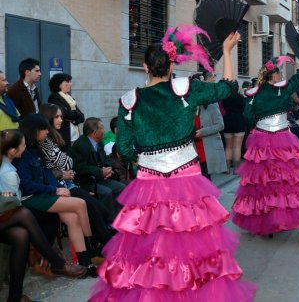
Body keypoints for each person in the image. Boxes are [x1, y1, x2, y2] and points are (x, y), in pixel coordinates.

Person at [89, 27, 256, 301]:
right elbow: (228, 88)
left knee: (148, 248)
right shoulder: (186, 89)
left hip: (148, 183)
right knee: (193, 246)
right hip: (187, 179)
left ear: (145, 67)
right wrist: (227, 52)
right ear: (171, 65)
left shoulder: (129, 101)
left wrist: (143, 159)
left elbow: (124, 148)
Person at [232, 43, 299, 237]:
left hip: (263, 139)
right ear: (272, 75)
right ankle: (276, 218)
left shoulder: (256, 93)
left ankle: (270, 220)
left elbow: (248, 116)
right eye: (277, 73)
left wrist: (258, 120)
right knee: (280, 181)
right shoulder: (280, 90)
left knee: (266, 181)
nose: (280, 76)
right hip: (279, 139)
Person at [1, 129, 86, 301]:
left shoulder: (7, 163)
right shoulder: (8, 172)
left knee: (21, 234)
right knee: (24, 213)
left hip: (6, 214)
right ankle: (56, 262)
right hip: (9, 212)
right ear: (12, 151)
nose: (26, 147)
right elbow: (15, 202)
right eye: (23, 145)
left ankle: (14, 297)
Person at [13, 114, 99, 277]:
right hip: (31, 198)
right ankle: (91, 246)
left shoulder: (37, 149)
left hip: (44, 194)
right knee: (80, 203)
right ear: (34, 131)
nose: (47, 132)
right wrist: (55, 190)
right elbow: (25, 185)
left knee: (73, 219)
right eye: (43, 129)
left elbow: (48, 176)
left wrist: (59, 187)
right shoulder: (21, 153)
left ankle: (86, 263)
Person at [38, 104, 114, 248]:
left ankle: (105, 243)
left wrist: (107, 170)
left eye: (61, 116)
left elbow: (68, 164)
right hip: (63, 186)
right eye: (57, 117)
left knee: (99, 208)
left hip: (71, 183)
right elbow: (63, 165)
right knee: (96, 208)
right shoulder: (45, 143)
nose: (61, 120)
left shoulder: (55, 138)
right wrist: (62, 174)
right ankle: (109, 245)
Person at [69, 118, 126, 219]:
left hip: (100, 178)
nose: (104, 130)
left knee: (121, 188)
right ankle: (109, 222)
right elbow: (79, 168)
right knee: (106, 192)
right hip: (86, 182)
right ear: (94, 132)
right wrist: (100, 172)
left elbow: (106, 160)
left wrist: (108, 169)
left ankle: (121, 218)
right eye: (102, 128)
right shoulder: (80, 145)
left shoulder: (99, 143)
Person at [198, 72, 227, 175]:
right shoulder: (189, 106)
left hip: (207, 150)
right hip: (193, 153)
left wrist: (202, 132)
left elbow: (220, 125)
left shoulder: (211, 103)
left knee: (206, 182)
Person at [47, 73, 85, 148]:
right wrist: (75, 114)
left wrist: (74, 121)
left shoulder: (69, 98)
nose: (70, 84)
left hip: (74, 135)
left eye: (70, 81)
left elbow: (82, 116)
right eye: (67, 82)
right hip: (64, 135)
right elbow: (65, 114)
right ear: (59, 84)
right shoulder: (54, 97)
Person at [221, 85, 247, 174]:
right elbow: (244, 108)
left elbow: (223, 107)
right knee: (237, 147)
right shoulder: (241, 97)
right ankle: (236, 169)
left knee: (228, 147)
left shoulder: (225, 97)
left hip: (227, 120)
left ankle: (227, 168)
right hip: (239, 120)